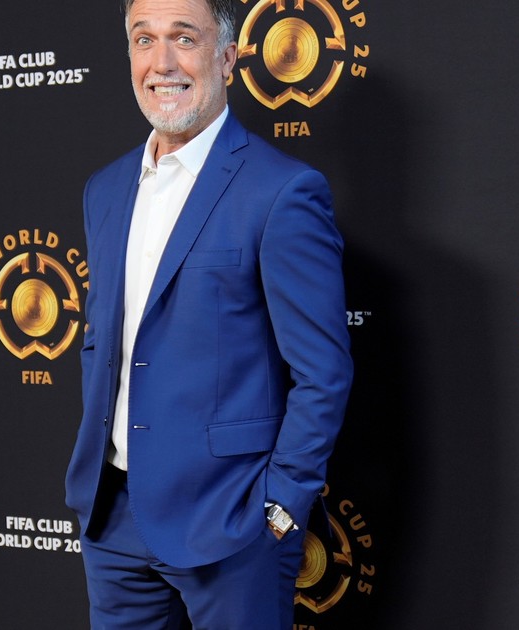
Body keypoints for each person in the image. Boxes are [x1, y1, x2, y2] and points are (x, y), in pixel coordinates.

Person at [64, 0, 353, 626]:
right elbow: (102, 340)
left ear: (226, 58)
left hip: (232, 524)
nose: (161, 62)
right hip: (112, 517)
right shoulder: (105, 190)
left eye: (183, 38)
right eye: (144, 40)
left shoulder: (281, 191)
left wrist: (280, 506)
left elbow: (322, 373)